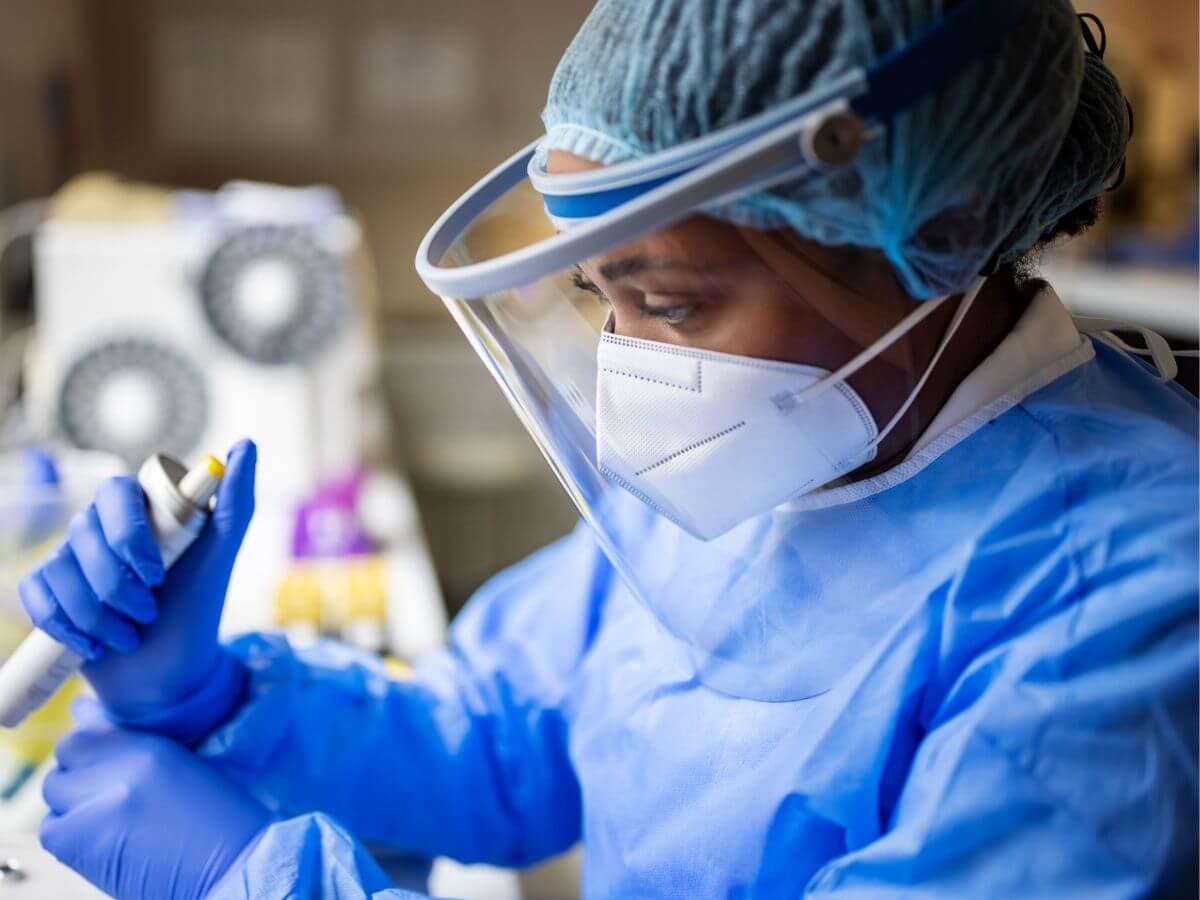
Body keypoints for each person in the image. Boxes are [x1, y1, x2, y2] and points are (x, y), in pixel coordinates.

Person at [22, 1, 1199, 897]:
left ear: (936, 238)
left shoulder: (1125, 600)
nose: (627, 360)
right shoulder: (785, 456)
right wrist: (219, 699)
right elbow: (510, 737)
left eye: (673, 303)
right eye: (600, 299)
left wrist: (262, 880)